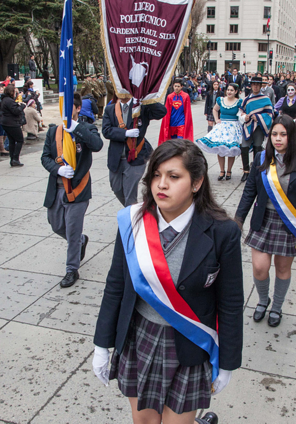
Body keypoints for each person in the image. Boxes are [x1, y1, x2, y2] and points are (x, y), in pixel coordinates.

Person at [93, 139, 242, 424]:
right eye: (156, 175)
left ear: (196, 183)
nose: (161, 185)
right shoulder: (133, 222)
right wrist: (102, 345)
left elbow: (231, 302)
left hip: (190, 344)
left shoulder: (223, 232)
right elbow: (116, 286)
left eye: (174, 177)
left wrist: (228, 362)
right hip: (141, 337)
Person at [235, 115, 296, 328]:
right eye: (274, 134)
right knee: (259, 268)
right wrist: (237, 221)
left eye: (283, 134)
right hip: (263, 220)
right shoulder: (262, 158)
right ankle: (263, 301)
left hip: (289, 223)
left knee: (283, 269)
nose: (278, 139)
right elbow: (249, 193)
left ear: (291, 136)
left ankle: (277, 307)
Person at [41, 93, 103, 288]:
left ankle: (71, 269)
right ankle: (80, 241)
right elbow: (45, 157)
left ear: (77, 109)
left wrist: (78, 128)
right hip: (57, 188)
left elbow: (97, 145)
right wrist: (57, 169)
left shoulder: (87, 129)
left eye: (70, 108)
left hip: (78, 190)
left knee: (73, 231)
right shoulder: (54, 132)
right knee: (56, 225)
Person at [102, 95, 167, 207]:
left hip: (136, 157)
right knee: (116, 188)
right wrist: (125, 133)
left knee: (130, 194)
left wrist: (145, 99)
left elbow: (161, 112)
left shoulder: (141, 107)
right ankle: (135, 211)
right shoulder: (110, 109)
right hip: (116, 158)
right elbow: (106, 131)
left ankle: (130, 220)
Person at [195, 83, 244, 181]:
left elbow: (242, 112)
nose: (229, 92)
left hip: (234, 126)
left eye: (232, 90)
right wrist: (217, 120)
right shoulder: (221, 100)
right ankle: (222, 170)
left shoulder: (239, 102)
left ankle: (229, 171)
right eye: (228, 90)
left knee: (232, 149)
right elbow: (215, 109)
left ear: (236, 92)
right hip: (222, 126)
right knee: (220, 148)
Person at [240, 76, 273, 182]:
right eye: (253, 84)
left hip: (259, 126)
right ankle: (246, 171)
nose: (255, 86)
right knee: (244, 147)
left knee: (257, 148)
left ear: (260, 86)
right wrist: (244, 117)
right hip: (248, 125)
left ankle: (256, 172)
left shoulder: (266, 99)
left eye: (257, 85)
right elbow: (240, 112)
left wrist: (258, 117)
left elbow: (270, 114)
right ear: (251, 86)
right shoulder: (246, 99)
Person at [0, 84, 27, 167]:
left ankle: (13, 159)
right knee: (19, 140)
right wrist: (22, 106)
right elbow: (15, 111)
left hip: (6, 122)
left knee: (12, 140)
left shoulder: (5, 100)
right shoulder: (9, 100)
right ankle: (15, 158)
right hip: (12, 123)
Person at [159, 79, 194, 144]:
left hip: (181, 122)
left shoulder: (185, 96)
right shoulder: (170, 97)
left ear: (181, 87)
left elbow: (187, 111)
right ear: (173, 86)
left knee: (180, 141)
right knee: (173, 142)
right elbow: (167, 110)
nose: (176, 88)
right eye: (175, 86)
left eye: (178, 86)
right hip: (172, 122)